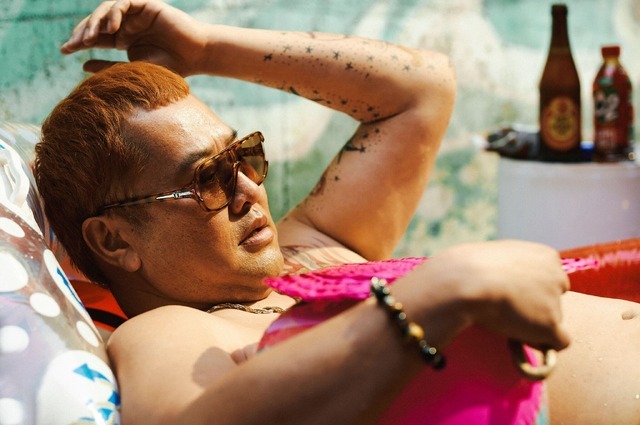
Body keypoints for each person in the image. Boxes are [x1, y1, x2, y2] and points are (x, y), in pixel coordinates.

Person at [33, 1, 639, 423]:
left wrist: (207, 48)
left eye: (244, 155)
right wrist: (439, 294)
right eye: (207, 178)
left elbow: (420, 90)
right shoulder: (174, 332)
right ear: (114, 241)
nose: (248, 188)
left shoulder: (314, 244)